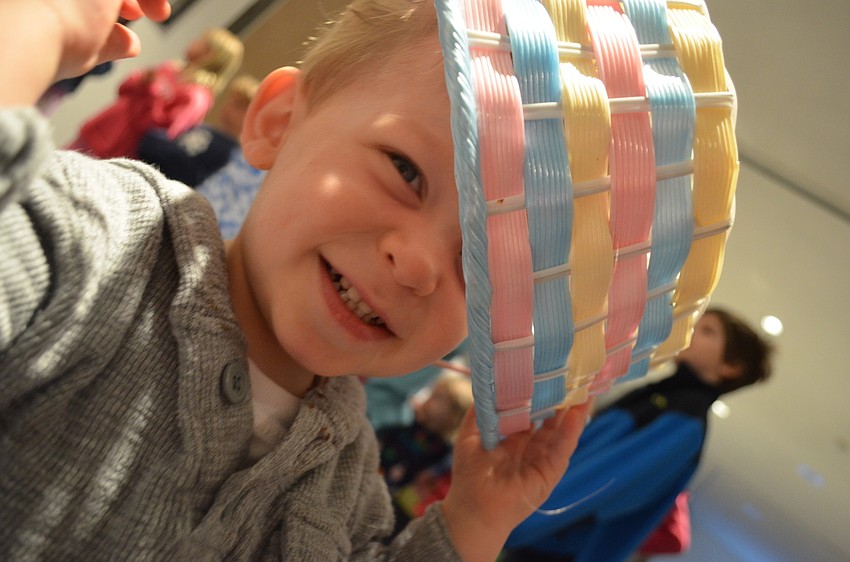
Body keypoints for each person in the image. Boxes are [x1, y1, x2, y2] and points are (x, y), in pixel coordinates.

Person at [0, 2, 589, 561]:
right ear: (278, 123)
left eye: (486, 262)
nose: (417, 265)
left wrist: (473, 524)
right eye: (405, 170)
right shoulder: (101, 240)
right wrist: (32, 29)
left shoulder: (349, 485)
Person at [501, 307, 775, 562]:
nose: (690, 327)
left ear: (731, 367)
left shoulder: (685, 419)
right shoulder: (661, 397)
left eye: (708, 330)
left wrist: (508, 523)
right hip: (533, 534)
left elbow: (604, 482)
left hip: (546, 546)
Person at [67, 25, 244, 159]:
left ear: (210, 55)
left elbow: (161, 133)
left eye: (201, 42)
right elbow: (125, 88)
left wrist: (151, 90)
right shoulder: (171, 69)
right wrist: (142, 82)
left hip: (116, 148)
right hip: (102, 127)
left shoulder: (196, 97)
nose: (193, 42)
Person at [376, 369, 474, 538]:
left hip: (390, 492)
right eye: (432, 393)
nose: (429, 398)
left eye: (437, 397)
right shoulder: (409, 420)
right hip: (374, 466)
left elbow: (429, 477)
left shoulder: (442, 450)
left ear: (453, 416)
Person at [138, 74, 260, 187]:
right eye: (230, 102)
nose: (228, 108)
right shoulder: (205, 128)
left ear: (250, 116)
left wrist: (157, 145)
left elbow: (191, 174)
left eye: (238, 106)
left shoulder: (228, 151)